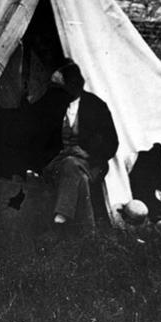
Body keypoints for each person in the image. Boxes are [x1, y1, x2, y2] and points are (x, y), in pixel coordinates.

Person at [42, 60, 119, 230]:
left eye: (59, 87)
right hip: (61, 161)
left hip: (91, 163)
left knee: (72, 164)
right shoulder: (54, 105)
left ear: (72, 86)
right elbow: (44, 139)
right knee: (77, 175)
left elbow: (111, 142)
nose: (55, 91)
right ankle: (88, 232)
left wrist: (89, 154)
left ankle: (62, 215)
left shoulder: (96, 106)